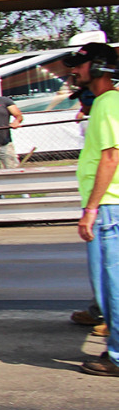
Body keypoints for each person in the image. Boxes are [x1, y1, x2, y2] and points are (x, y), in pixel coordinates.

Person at [65, 42, 119, 376]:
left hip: (110, 206)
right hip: (108, 205)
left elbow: (110, 157)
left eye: (79, 65)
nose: (74, 71)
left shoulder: (108, 103)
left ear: (98, 67)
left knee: (114, 284)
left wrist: (92, 209)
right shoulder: (104, 102)